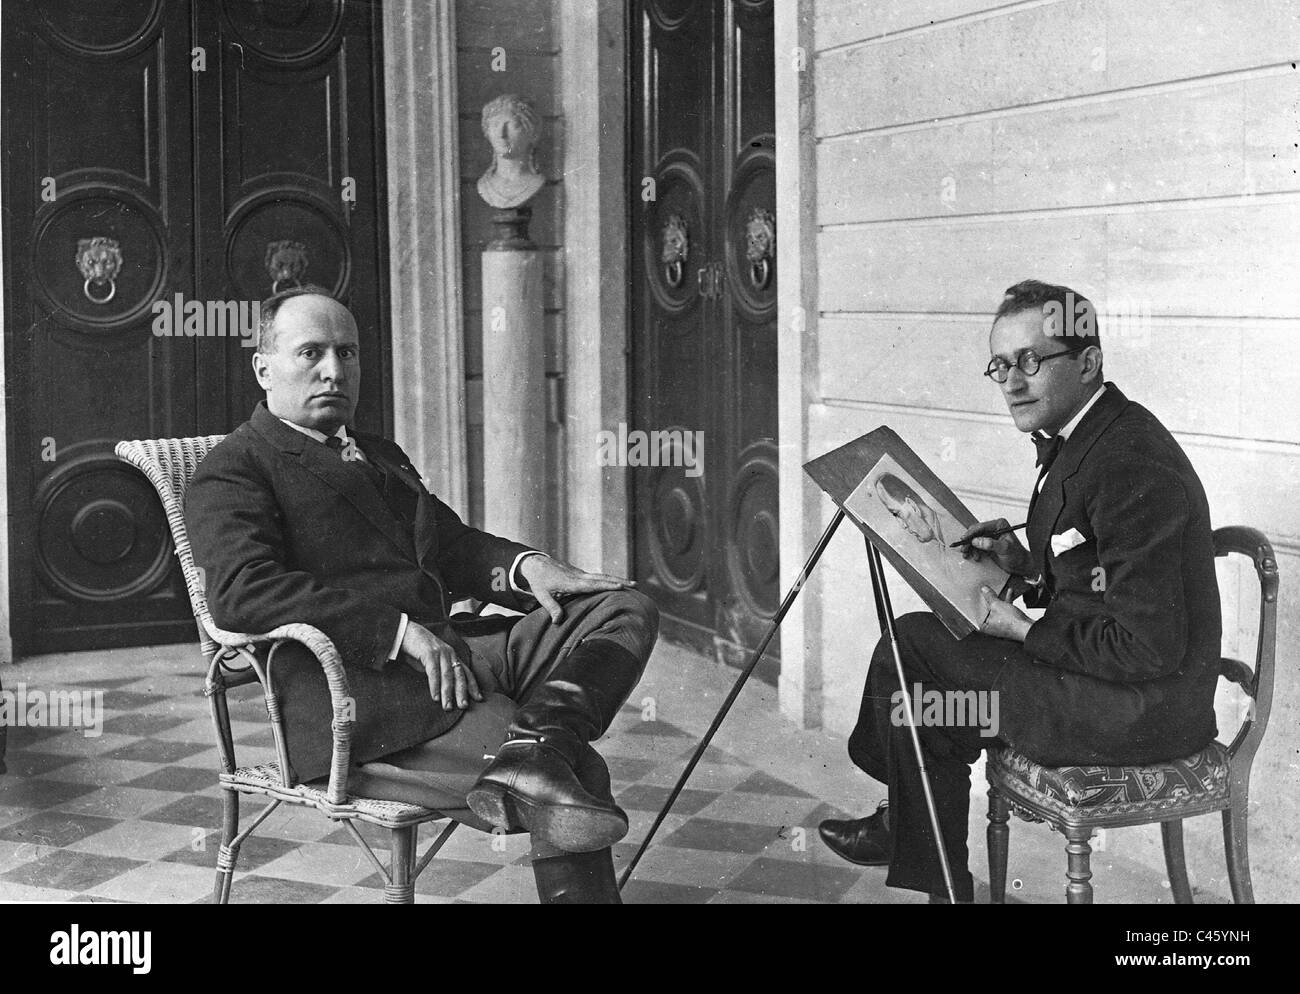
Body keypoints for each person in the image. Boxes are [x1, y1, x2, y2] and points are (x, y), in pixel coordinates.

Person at [185, 285, 658, 903]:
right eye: (311, 353)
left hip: (458, 656)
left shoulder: (378, 453)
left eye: (347, 353)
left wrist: (527, 566)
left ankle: (535, 744)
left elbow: (452, 545)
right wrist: (398, 633)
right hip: (364, 700)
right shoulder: (236, 468)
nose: (334, 370)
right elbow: (243, 594)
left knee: (621, 608)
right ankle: (538, 755)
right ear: (263, 367)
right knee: (570, 778)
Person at [818, 279, 1221, 903]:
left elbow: (1149, 647)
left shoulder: (1129, 460)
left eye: (1031, 361)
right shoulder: (1089, 437)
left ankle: (918, 841)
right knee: (921, 672)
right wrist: (1023, 565)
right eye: (1000, 365)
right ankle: (932, 863)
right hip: (1112, 690)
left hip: (1141, 710)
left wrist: (1026, 628)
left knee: (915, 649)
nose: (1011, 381)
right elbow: (1095, 572)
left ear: (1087, 363)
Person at [476, 93, 546, 209]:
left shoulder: (535, 182)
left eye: (512, 125)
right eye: (495, 125)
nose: (501, 134)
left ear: (531, 133)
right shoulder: (484, 186)